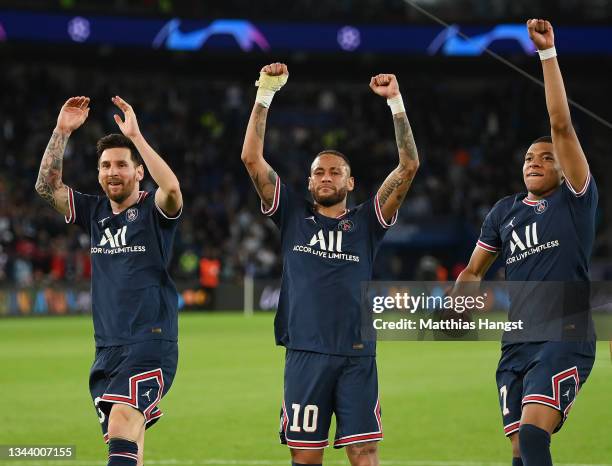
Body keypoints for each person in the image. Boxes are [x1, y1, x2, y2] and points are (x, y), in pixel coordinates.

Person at [241, 63, 419, 466]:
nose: (326, 177)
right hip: (305, 352)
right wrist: (266, 92)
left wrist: (395, 102)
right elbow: (251, 158)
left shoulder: (368, 222)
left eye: (335, 172)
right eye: (318, 172)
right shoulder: (291, 214)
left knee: (364, 453)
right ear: (308, 182)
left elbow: (408, 167)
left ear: (350, 183)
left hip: (357, 354)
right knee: (306, 458)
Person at [453, 20, 597, 466]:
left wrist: (547, 55)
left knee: (534, 434)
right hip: (516, 341)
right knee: (519, 448)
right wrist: (457, 304)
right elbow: (474, 271)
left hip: (563, 332)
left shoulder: (575, 200)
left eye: (546, 157)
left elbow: (561, 125)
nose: (535, 161)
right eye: (528, 158)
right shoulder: (504, 211)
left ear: (563, 168)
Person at [35, 95, 183, 466]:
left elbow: (173, 190)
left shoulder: (154, 210)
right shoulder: (93, 211)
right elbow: (45, 188)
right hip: (107, 347)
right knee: (128, 439)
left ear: (138, 172)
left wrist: (136, 137)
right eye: (105, 166)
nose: (112, 171)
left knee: (121, 423)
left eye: (121, 164)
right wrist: (61, 131)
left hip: (150, 341)